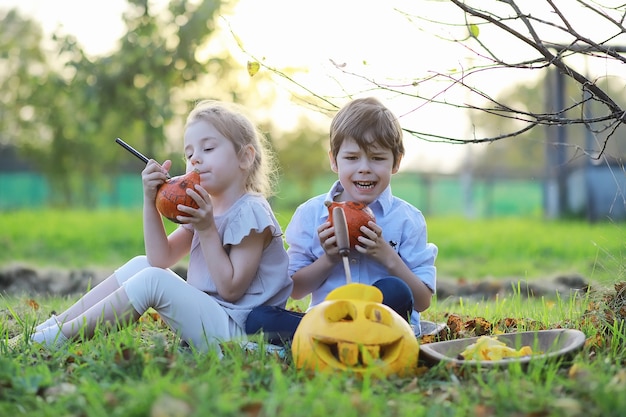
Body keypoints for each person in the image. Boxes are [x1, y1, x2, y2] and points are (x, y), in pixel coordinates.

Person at [7, 100, 293, 355]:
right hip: (212, 320)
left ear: (245, 157)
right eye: (189, 153)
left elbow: (231, 289)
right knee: (141, 265)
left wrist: (206, 230)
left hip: (241, 334)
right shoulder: (207, 209)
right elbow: (159, 259)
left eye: (208, 148)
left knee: (152, 281)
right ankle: (50, 327)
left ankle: (51, 340)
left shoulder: (251, 212)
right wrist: (150, 199)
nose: (195, 159)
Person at [245, 97, 438, 345]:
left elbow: (421, 300)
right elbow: (295, 288)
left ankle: (330, 342)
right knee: (258, 319)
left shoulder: (407, 219)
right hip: (328, 320)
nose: (364, 168)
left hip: (384, 323)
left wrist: (387, 255)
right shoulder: (311, 214)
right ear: (334, 160)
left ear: (396, 162)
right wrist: (330, 258)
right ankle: (345, 339)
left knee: (395, 290)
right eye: (352, 158)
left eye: (377, 158)